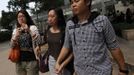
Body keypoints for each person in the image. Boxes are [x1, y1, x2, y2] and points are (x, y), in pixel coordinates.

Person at [55, 0, 128, 75]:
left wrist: (123, 70)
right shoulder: (70, 25)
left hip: (101, 72)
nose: (73, 5)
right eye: (71, 2)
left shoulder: (102, 21)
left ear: (87, 2)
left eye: (76, 1)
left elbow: (114, 47)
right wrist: (58, 61)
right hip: (80, 72)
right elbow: (66, 46)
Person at [10, 9, 40, 75]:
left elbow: (39, 41)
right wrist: (15, 36)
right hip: (19, 62)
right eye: (19, 17)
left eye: (23, 16)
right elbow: (11, 46)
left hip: (31, 60)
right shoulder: (15, 30)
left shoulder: (32, 28)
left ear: (26, 17)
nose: (21, 18)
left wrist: (29, 31)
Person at [45, 7, 73, 75]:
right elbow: (47, 44)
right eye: (48, 16)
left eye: (52, 16)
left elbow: (72, 51)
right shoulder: (48, 30)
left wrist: (63, 63)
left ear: (59, 17)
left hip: (65, 63)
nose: (50, 19)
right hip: (52, 61)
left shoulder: (65, 31)